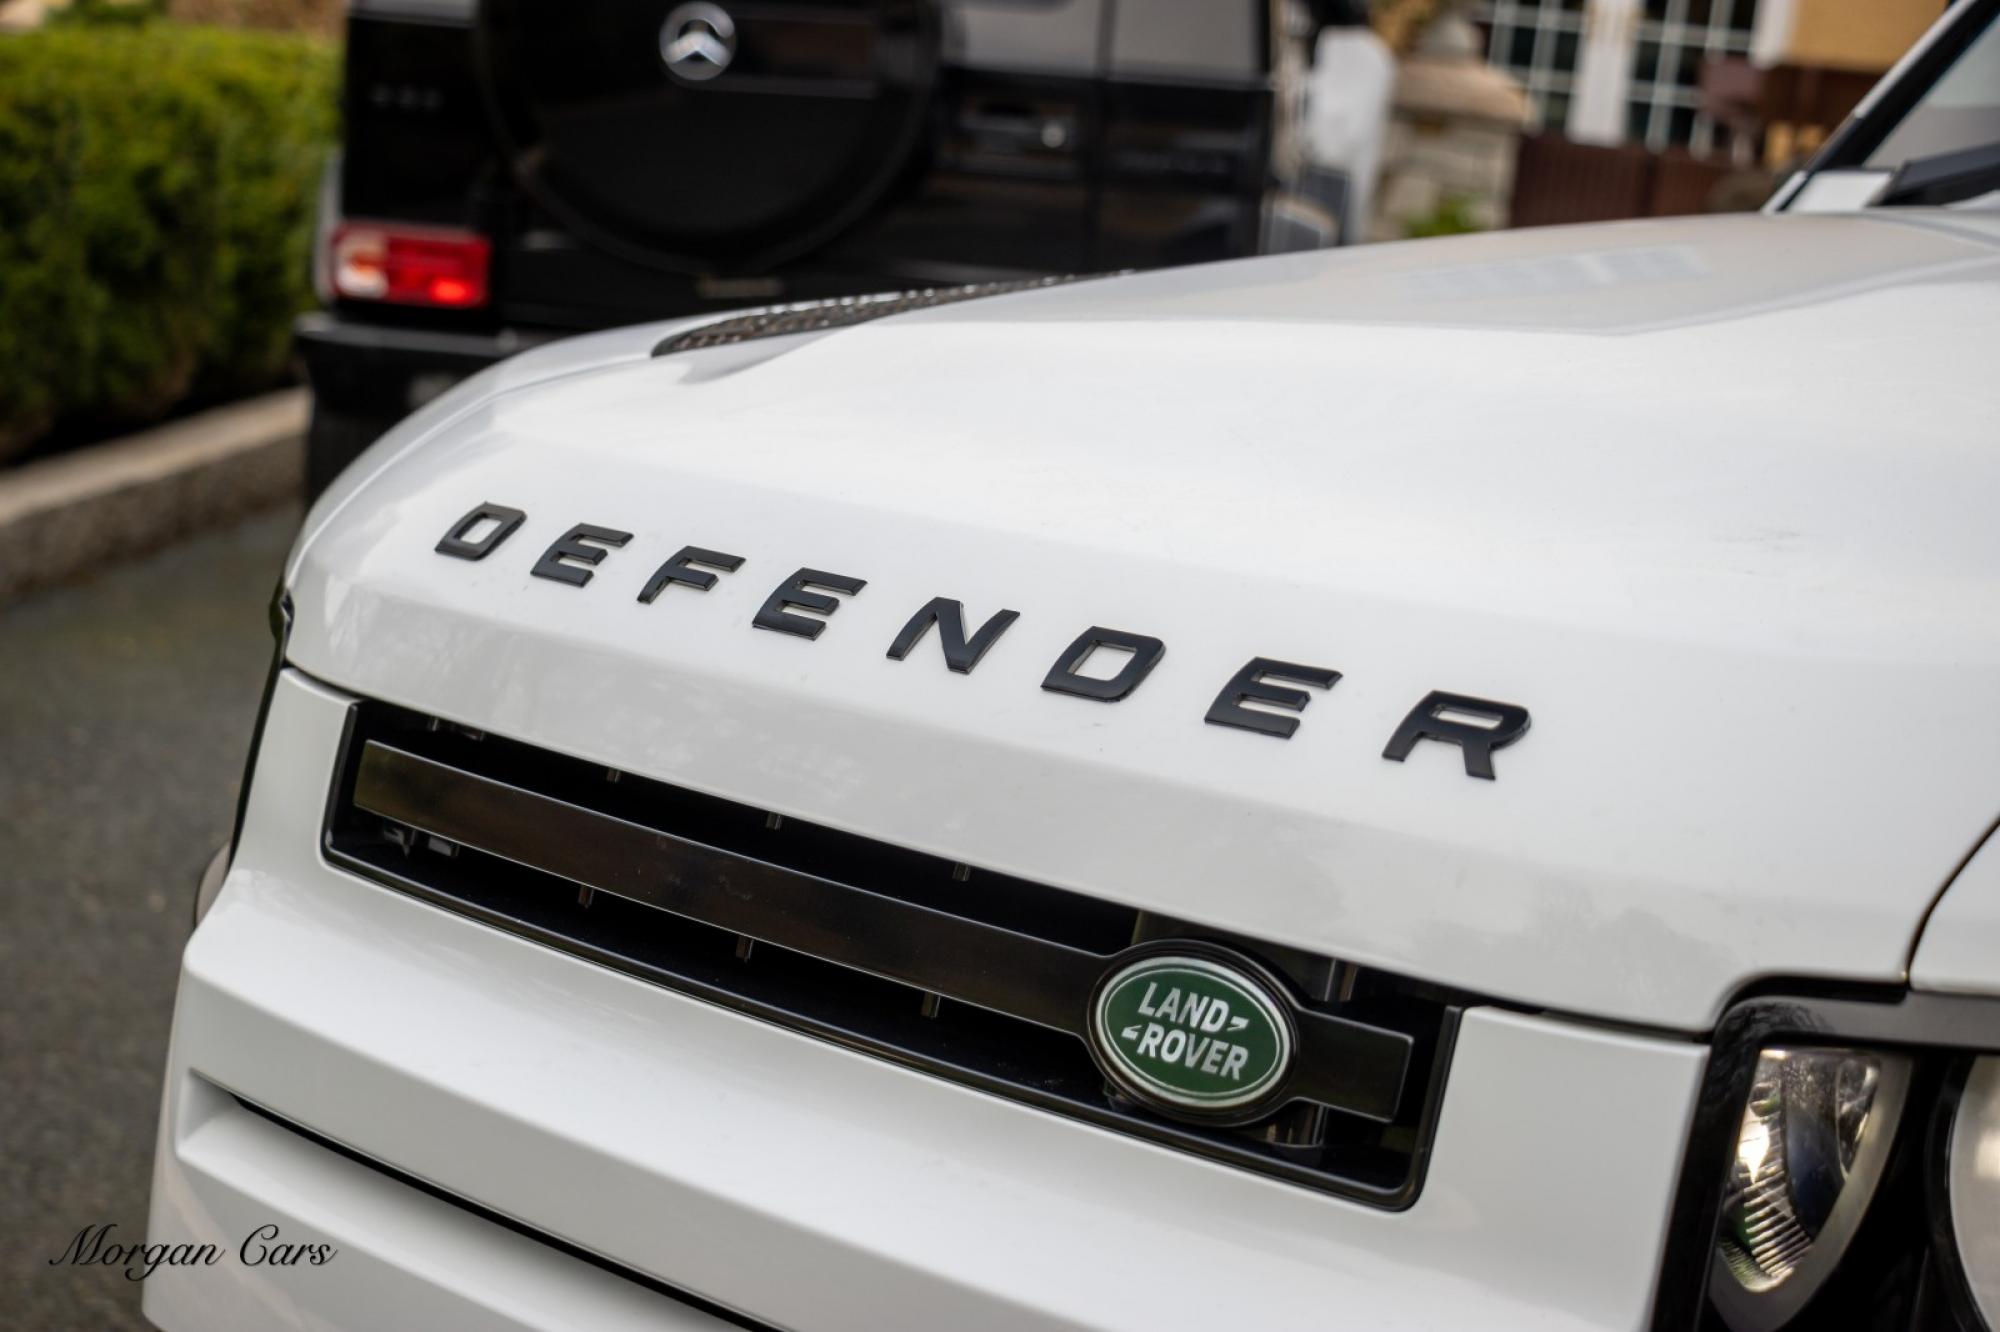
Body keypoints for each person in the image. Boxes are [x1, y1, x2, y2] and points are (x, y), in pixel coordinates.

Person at [1305, 0, 1396, 242]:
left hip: (1325, 194)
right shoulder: (1374, 53)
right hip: (1337, 196)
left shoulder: (1353, 51)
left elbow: (1330, 145)